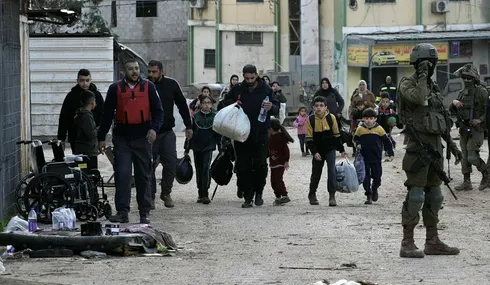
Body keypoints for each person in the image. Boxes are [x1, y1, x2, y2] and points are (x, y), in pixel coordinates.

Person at [397, 43, 463, 258]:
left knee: (436, 196)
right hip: (417, 149)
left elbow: (440, 119)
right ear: (417, 64)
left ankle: (432, 241)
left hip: (435, 149)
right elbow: (417, 98)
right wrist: (423, 76)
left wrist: (452, 146)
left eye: (433, 63)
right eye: (427, 63)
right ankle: (407, 243)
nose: (431, 67)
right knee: (416, 196)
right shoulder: (408, 83)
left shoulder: (433, 88)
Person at [98, 59, 164, 224]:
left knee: (143, 176)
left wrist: (154, 129)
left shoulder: (149, 87)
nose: (134, 71)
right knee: (123, 175)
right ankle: (122, 212)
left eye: (136, 68)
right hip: (122, 139)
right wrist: (101, 138)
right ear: (123, 71)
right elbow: (106, 115)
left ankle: (144, 212)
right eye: (130, 69)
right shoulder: (115, 89)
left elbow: (158, 111)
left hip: (142, 139)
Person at [220, 64, 280, 208]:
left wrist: (271, 107)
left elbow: (277, 108)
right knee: (243, 166)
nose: (249, 80)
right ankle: (248, 196)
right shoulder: (238, 89)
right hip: (241, 134)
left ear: (256, 74)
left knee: (261, 165)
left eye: (252, 77)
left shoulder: (266, 89)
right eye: (246, 78)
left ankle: (259, 192)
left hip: (260, 133)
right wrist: (234, 103)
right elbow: (223, 104)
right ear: (243, 76)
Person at [147, 60, 193, 209]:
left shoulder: (171, 85)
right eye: (150, 71)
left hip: (167, 132)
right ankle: (150, 196)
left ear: (161, 71)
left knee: (171, 163)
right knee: (149, 166)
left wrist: (188, 125)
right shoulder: (145, 86)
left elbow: (182, 105)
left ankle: (166, 193)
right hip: (149, 133)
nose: (151, 74)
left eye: (154, 71)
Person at [449, 63, 489, 191]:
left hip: (476, 130)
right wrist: (454, 103)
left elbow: (487, 111)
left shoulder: (481, 92)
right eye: (464, 77)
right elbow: (453, 111)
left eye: (469, 78)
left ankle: (486, 174)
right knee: (465, 156)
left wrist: (480, 120)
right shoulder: (462, 93)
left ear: (474, 79)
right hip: (463, 129)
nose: (466, 80)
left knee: (472, 156)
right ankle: (467, 182)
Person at [306, 96, 348, 207]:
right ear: (313, 107)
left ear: (326, 107)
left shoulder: (331, 118)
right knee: (316, 173)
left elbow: (336, 136)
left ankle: (332, 196)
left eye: (321, 106)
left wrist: (342, 149)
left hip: (330, 149)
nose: (318, 108)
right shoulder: (310, 120)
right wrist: (314, 152)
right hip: (318, 151)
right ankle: (312, 194)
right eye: (316, 106)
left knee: (332, 172)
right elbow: (309, 139)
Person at [57, 69, 104, 153]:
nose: (85, 83)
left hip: (92, 138)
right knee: (78, 163)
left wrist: (101, 138)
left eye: (87, 80)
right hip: (75, 138)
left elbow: (103, 116)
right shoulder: (71, 96)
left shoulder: (97, 95)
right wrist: (61, 138)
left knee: (91, 162)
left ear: (91, 80)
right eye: (82, 80)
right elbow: (64, 117)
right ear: (77, 81)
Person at [353, 108, 394, 205]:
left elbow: (387, 142)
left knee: (377, 177)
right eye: (366, 118)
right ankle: (368, 195)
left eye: (371, 118)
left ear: (375, 119)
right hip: (364, 158)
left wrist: (390, 152)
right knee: (365, 178)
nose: (369, 120)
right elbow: (355, 139)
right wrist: (357, 144)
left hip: (376, 157)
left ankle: (375, 188)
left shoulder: (379, 129)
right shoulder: (360, 129)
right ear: (363, 119)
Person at [189, 94, 220, 204]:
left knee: (206, 168)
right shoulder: (195, 117)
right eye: (204, 103)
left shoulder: (216, 116)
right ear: (200, 104)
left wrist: (221, 147)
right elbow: (190, 133)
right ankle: (200, 193)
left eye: (208, 103)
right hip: (197, 145)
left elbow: (219, 133)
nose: (206, 105)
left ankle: (205, 193)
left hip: (209, 145)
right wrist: (187, 148)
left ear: (211, 104)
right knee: (199, 169)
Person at [268, 118, 294, 206]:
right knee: (273, 181)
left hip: (280, 163)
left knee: (278, 180)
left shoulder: (280, 137)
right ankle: (278, 196)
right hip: (273, 163)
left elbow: (286, 150)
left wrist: (286, 161)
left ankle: (284, 195)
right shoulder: (270, 137)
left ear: (271, 128)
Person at [73, 90, 99, 172]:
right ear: (91, 102)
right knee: (91, 175)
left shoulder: (80, 114)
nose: (96, 103)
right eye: (95, 101)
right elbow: (90, 134)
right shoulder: (87, 116)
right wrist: (99, 129)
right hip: (88, 152)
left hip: (82, 150)